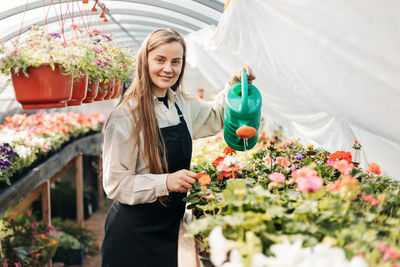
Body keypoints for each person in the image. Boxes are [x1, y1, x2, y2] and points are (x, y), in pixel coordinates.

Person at [101, 28, 255, 267]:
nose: (168, 69)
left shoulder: (181, 103)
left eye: (176, 61)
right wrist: (166, 182)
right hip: (133, 234)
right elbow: (116, 184)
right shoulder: (125, 116)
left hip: (170, 227)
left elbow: (215, 117)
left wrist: (233, 87)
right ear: (145, 61)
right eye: (160, 60)